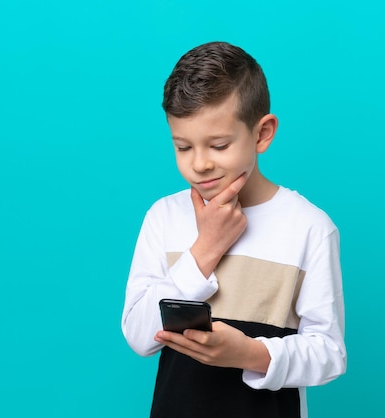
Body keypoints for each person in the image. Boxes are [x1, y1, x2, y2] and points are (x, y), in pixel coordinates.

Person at [121, 41, 346, 418]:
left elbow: (329, 353)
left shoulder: (310, 227)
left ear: (262, 134)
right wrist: (205, 247)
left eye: (219, 145)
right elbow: (139, 336)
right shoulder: (163, 217)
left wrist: (250, 354)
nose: (200, 164)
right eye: (183, 147)